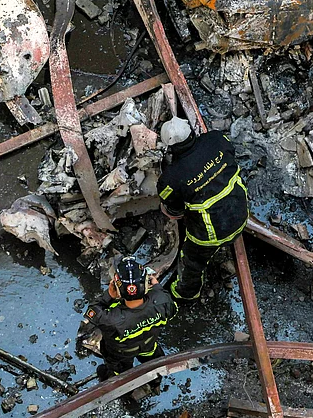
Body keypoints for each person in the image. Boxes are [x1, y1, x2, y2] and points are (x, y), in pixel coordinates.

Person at [158, 118, 250, 303]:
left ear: (169, 147)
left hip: (212, 234)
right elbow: (231, 153)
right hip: (241, 213)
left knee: (192, 261)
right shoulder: (217, 139)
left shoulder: (171, 178)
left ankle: (185, 293)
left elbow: (174, 212)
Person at [80, 256, 176, 380]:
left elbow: (93, 310)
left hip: (120, 353)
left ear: (116, 288)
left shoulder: (111, 319)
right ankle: (155, 381)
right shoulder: (162, 301)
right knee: (155, 364)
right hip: (148, 344)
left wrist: (109, 295)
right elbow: (172, 310)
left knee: (119, 372)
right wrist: (158, 288)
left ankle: (124, 386)